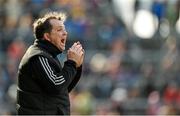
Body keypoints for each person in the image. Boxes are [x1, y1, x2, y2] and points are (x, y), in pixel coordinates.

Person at [16, 11, 85, 115]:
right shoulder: (38, 56)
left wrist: (76, 65)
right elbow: (57, 85)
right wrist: (71, 63)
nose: (65, 33)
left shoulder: (48, 55)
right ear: (47, 36)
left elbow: (63, 89)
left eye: (65, 30)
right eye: (59, 30)